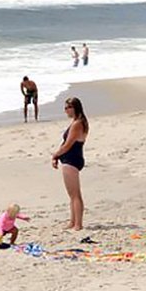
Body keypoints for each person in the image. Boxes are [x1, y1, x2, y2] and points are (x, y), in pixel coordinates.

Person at [51, 97, 89, 231]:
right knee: (72, 195)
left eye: (68, 107)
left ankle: (78, 224)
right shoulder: (77, 122)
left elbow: (68, 145)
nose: (65, 110)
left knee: (75, 194)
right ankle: (73, 221)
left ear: (75, 108)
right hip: (70, 158)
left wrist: (55, 155)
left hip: (71, 159)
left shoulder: (78, 123)